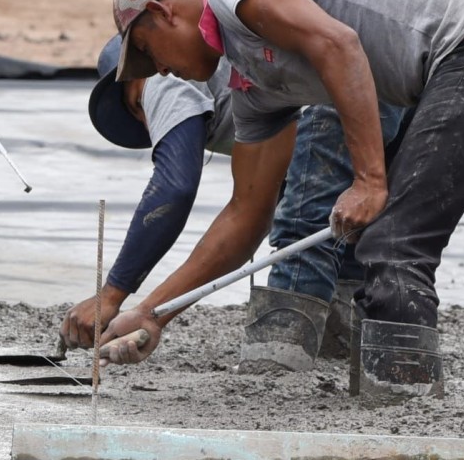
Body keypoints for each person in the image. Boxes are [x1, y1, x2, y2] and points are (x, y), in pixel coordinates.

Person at [79, 0, 464, 403]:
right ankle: (396, 397)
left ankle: (404, 406)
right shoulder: (253, 86)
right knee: (390, 235)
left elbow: (340, 44)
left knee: (394, 240)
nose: (158, 72)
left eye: (145, 51)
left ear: (162, 12)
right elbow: (246, 215)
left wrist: (370, 179)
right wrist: (153, 313)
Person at [61, 33, 406, 372]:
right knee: (346, 222)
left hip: (347, 82)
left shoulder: (158, 78)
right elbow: (250, 215)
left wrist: (111, 296)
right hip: (392, 71)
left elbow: (175, 188)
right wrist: (153, 312)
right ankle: (347, 339)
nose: (150, 120)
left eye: (139, 108)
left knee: (302, 221)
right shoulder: (242, 87)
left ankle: (279, 358)